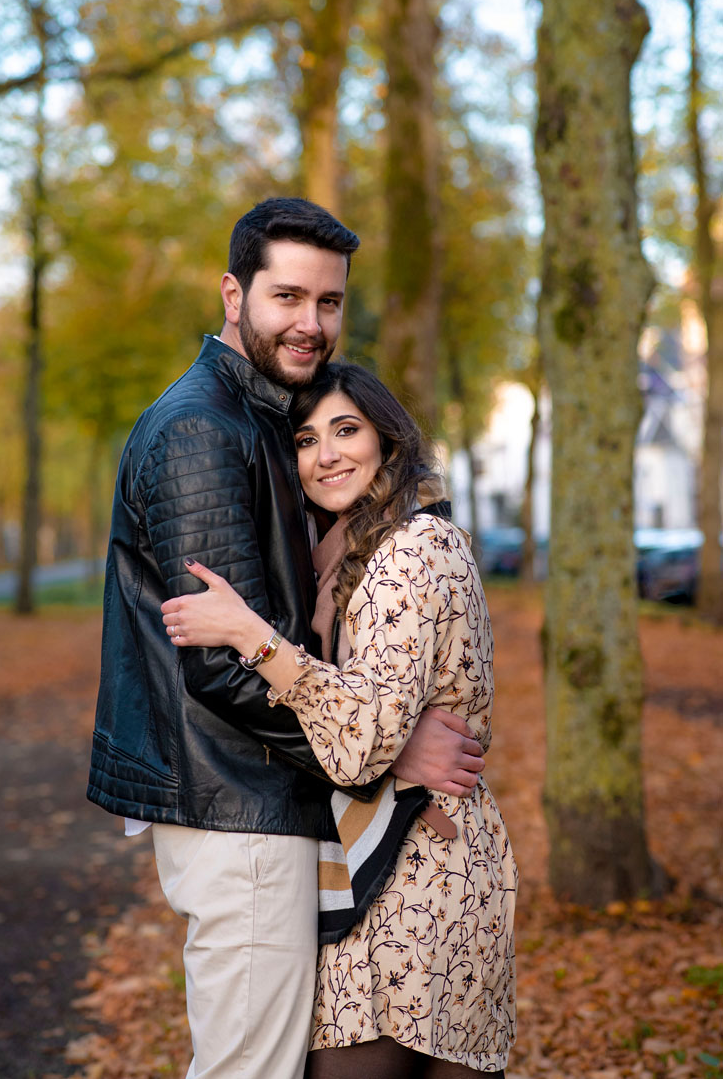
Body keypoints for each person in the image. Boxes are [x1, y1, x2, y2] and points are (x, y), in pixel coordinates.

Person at [87, 198, 486, 1079]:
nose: (311, 322)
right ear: (234, 295)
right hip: (240, 805)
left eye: (329, 302)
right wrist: (388, 752)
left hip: (261, 803)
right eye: (288, 297)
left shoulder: (261, 418)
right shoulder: (204, 428)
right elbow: (223, 666)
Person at [161, 362, 517, 1078]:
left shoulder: (411, 551)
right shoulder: (349, 556)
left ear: (387, 440)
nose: (326, 455)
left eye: (346, 430)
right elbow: (378, 721)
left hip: (415, 875)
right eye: (305, 439)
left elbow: (360, 747)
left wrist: (250, 635)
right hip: (407, 862)